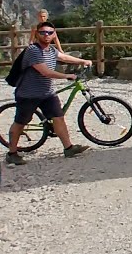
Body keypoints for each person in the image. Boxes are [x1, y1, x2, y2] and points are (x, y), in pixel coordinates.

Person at [6, 20, 91, 165]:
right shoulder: (33, 50)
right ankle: (12, 153)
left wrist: (82, 61)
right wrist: (66, 76)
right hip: (28, 94)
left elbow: (63, 57)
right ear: (37, 34)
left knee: (58, 117)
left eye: (50, 33)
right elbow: (45, 72)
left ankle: (68, 148)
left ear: (54, 35)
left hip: (47, 93)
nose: (46, 35)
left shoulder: (51, 50)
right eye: (43, 32)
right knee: (21, 122)